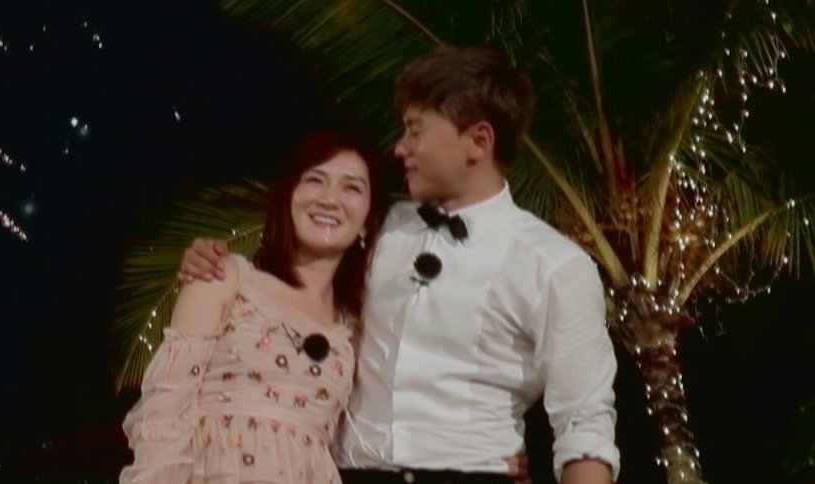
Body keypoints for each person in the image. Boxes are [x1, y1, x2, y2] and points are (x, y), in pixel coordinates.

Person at [179, 46, 619, 484]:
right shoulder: (371, 227)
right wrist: (209, 258)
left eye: (414, 131)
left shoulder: (554, 266)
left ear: (478, 141)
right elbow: (286, 277)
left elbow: (585, 424)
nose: (399, 148)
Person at [120, 128, 389, 483]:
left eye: (351, 187)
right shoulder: (224, 277)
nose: (329, 198)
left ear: (368, 219)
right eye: (315, 180)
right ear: (288, 196)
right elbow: (165, 410)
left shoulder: (355, 329)